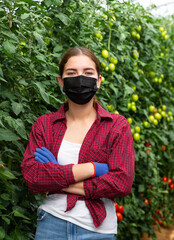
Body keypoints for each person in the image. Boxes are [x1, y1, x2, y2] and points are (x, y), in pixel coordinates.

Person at [21, 47, 135, 239]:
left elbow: (121, 183)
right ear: (61, 81)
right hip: (51, 225)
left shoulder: (116, 126)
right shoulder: (44, 125)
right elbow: (33, 176)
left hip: (98, 231)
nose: (80, 78)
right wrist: (93, 168)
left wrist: (56, 175)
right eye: (71, 73)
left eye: (88, 73)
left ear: (99, 81)